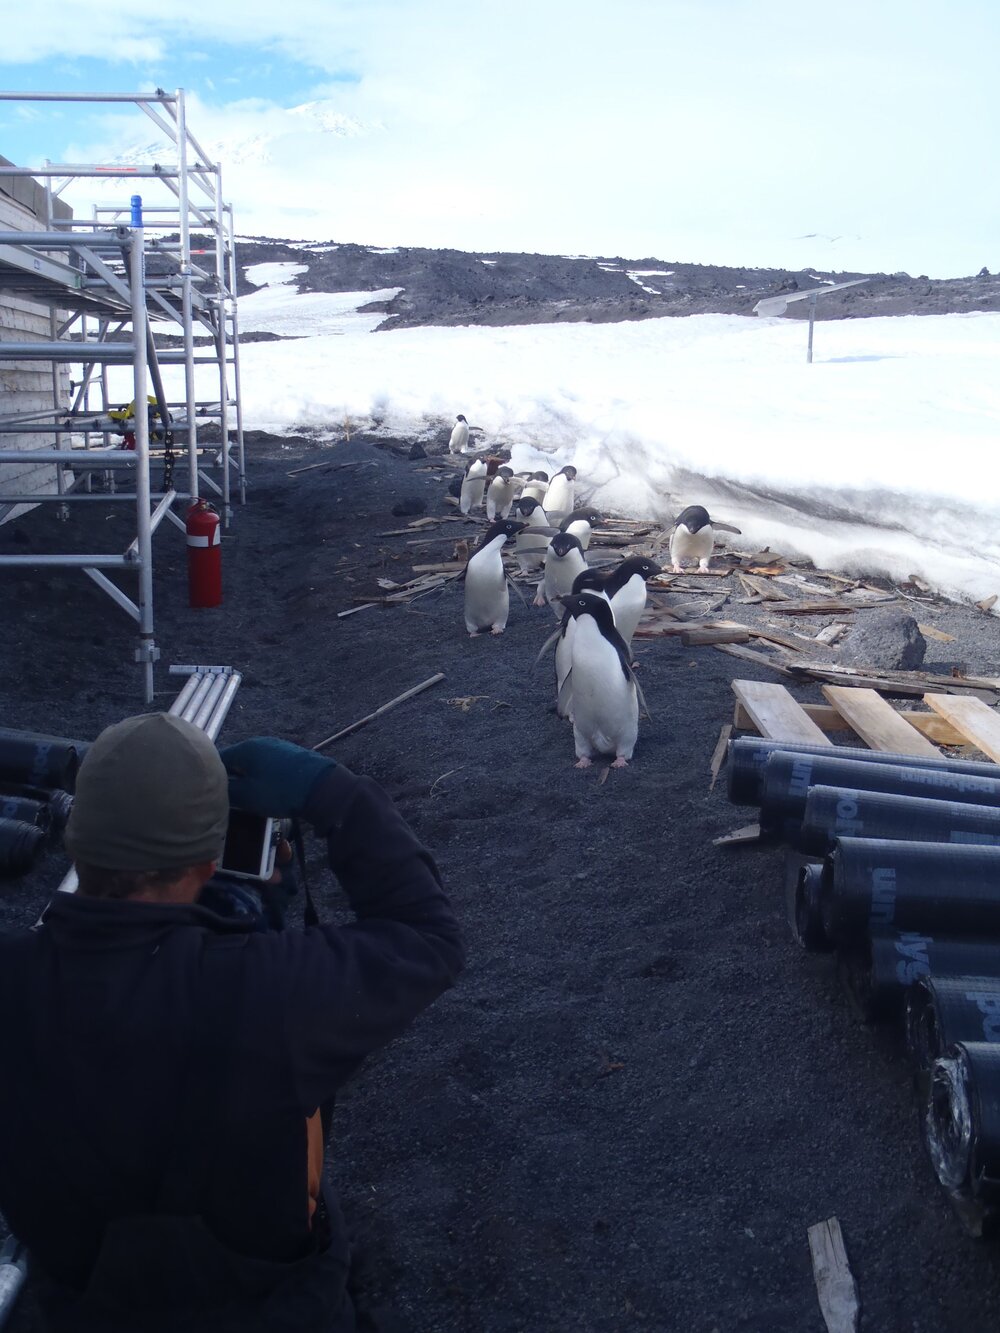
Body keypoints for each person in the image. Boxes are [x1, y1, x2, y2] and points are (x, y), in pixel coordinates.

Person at [0, 712, 464, 1331]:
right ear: (209, 860)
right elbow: (428, 939)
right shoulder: (267, 991)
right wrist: (337, 795)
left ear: (77, 840)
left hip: (79, 1308)